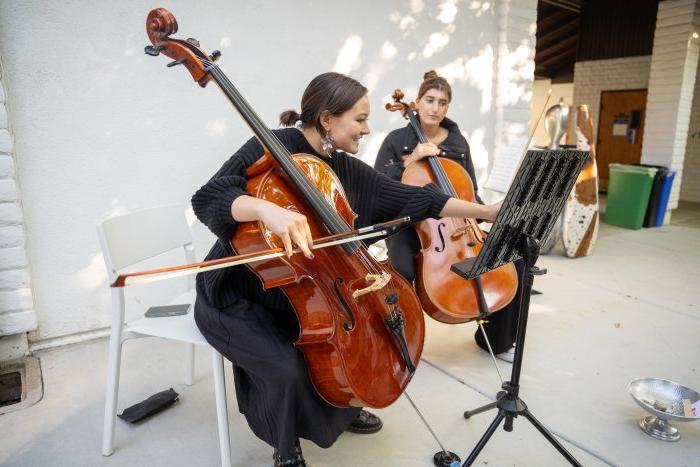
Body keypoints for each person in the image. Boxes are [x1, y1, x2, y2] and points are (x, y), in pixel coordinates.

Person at [191, 72, 501, 467]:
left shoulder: (343, 167)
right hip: (237, 292)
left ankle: (345, 404)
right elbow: (209, 196)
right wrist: (264, 210)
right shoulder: (270, 146)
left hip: (298, 287)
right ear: (326, 119)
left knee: (337, 341)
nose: (368, 129)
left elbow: (416, 199)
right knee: (287, 368)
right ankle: (286, 449)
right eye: (360, 119)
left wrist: (484, 211)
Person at [374, 70, 520, 362]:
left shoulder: (457, 143)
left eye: (442, 102)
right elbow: (379, 186)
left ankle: (496, 340)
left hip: (457, 225)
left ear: (447, 107)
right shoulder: (396, 140)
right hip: (410, 223)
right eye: (430, 100)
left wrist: (489, 214)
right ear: (416, 102)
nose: (435, 108)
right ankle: (402, 342)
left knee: (511, 255)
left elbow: (470, 190)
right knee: (402, 269)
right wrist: (411, 161)